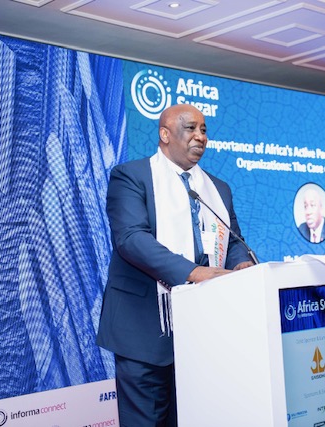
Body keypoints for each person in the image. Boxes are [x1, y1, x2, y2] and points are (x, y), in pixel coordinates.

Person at [97, 104, 254, 426]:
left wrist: (240, 266)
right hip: (143, 330)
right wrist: (192, 273)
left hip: (203, 333)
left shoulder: (217, 189)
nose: (200, 136)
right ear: (165, 134)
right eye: (190, 128)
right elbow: (131, 239)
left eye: (204, 130)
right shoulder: (131, 176)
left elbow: (233, 241)